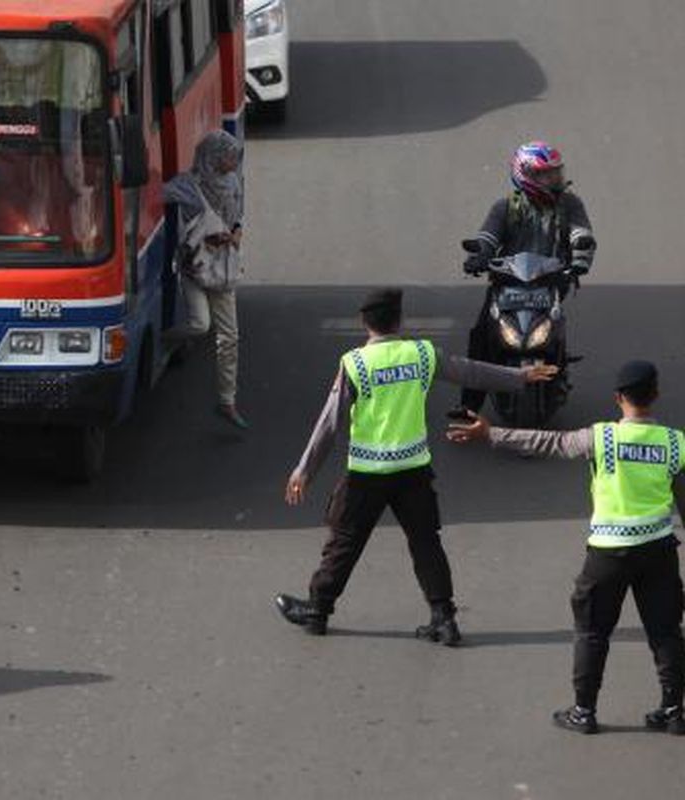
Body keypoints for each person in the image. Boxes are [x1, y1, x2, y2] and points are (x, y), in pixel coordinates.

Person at [276, 288, 558, 643]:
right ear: (400, 321)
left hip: (367, 474)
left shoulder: (356, 363)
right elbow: (469, 372)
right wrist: (520, 376)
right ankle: (444, 618)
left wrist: (304, 469)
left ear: (365, 323)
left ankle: (317, 611)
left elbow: (330, 423)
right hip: (413, 470)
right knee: (426, 542)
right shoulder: (421, 354)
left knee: (345, 541)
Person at [447, 360, 685, 735]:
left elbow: (549, 443)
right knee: (666, 631)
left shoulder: (601, 438)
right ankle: (673, 711)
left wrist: (491, 434)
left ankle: (584, 712)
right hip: (658, 551)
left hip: (608, 554)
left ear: (618, 398)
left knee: (592, 631)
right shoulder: (675, 443)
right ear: (655, 396)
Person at [459, 140, 596, 413]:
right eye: (546, 173)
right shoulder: (505, 207)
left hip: (550, 281)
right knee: (480, 338)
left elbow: (581, 232)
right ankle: (468, 407)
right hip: (507, 282)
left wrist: (580, 256)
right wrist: (479, 256)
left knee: (553, 329)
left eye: (556, 172)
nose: (554, 178)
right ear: (527, 175)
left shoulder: (570, 203)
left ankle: (558, 363)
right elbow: (488, 235)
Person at [164, 130, 248, 429]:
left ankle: (227, 400)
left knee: (230, 338)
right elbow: (159, 194)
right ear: (212, 157)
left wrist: (234, 233)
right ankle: (165, 344)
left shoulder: (234, 183)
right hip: (196, 269)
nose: (232, 162)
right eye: (226, 157)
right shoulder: (187, 187)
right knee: (200, 325)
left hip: (224, 268)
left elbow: (238, 216)